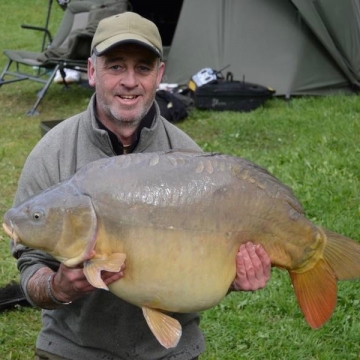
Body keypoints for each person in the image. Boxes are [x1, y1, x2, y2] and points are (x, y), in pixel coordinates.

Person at [11, 12, 271, 360]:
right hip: (74, 350)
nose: (129, 81)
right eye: (116, 67)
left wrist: (237, 277)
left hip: (168, 352)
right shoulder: (53, 153)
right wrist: (56, 288)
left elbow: (207, 273)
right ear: (91, 71)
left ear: (159, 76)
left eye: (143, 69)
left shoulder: (191, 162)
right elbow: (30, 265)